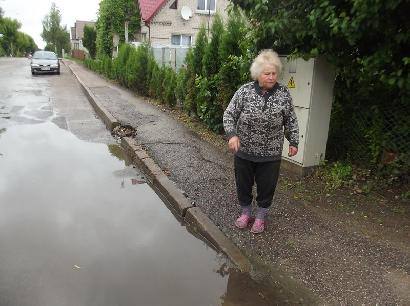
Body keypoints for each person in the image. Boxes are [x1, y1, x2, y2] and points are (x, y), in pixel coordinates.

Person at [223, 50, 299, 234]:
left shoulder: (283, 94)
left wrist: (294, 141)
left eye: (274, 73)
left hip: (270, 153)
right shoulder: (244, 91)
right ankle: (246, 212)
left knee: (267, 186)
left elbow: (291, 119)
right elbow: (229, 114)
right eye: (267, 73)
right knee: (243, 184)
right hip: (245, 151)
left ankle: (261, 217)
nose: (271, 77)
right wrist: (232, 135)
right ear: (258, 74)